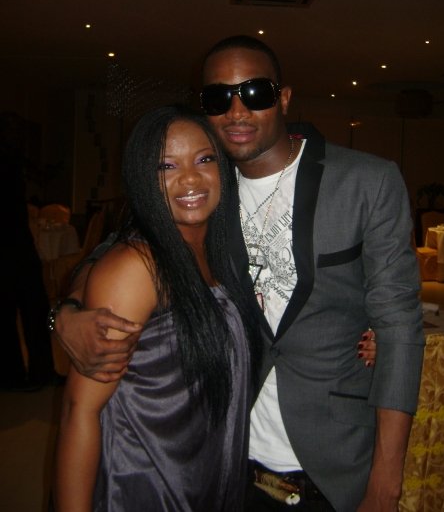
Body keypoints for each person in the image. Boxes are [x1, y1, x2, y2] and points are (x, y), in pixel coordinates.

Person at [53, 35, 422, 511]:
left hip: (336, 463)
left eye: (255, 92)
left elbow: (400, 324)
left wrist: (386, 480)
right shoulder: (207, 185)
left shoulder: (366, 181)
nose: (237, 111)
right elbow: (112, 255)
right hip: (228, 456)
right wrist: (65, 314)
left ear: (283, 97)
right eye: (218, 98)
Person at [53, 106, 263, 512]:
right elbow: (79, 412)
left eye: (204, 159)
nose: (190, 178)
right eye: (167, 166)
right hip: (145, 487)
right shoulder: (137, 266)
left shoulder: (219, 252)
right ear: (143, 178)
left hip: (206, 478)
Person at [0, 111, 54, 391]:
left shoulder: (13, 160)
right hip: (13, 246)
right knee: (31, 308)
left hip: (16, 244)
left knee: (23, 310)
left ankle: (20, 375)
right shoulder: (10, 160)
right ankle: (32, 374)